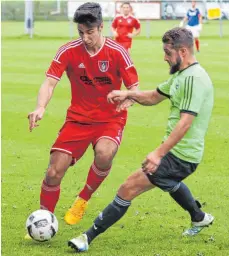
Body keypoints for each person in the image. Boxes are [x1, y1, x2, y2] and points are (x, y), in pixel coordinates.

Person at [68, 27, 214, 252]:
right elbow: (154, 97)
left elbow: (185, 123)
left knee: (128, 187)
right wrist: (128, 94)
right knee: (170, 182)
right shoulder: (181, 75)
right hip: (182, 154)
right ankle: (199, 216)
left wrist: (158, 153)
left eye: (168, 52)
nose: (164, 57)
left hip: (181, 155)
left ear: (183, 51)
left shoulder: (194, 79)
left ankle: (86, 237)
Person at [27, 2, 139, 232]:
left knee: (104, 153)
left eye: (90, 32)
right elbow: (50, 82)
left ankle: (83, 198)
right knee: (53, 171)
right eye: (81, 32)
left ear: (100, 27)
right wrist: (40, 107)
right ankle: (43, 220)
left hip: (110, 119)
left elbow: (134, 86)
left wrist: (129, 97)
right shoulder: (68, 50)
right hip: (77, 119)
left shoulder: (118, 52)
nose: (85, 38)